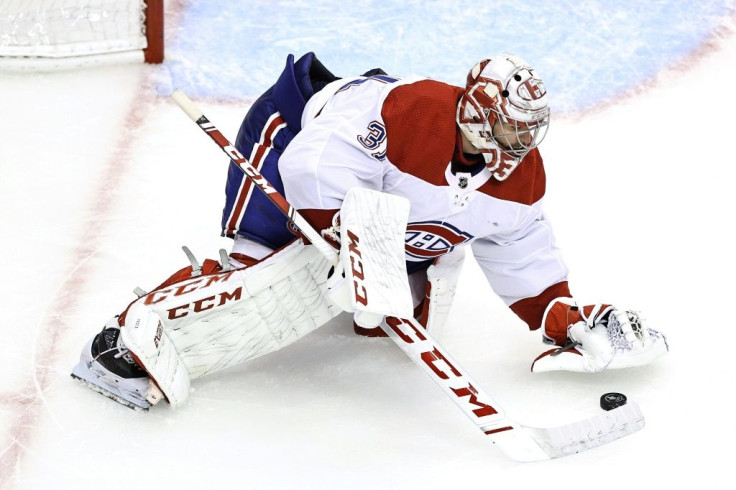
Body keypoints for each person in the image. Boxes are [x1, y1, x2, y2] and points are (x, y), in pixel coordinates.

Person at [71, 52, 668, 411]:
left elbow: (521, 249)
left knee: (387, 319)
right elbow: (312, 164)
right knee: (258, 272)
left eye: (529, 134)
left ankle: (375, 265)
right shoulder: (406, 115)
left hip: (382, 195)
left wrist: (561, 315)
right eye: (511, 133)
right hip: (292, 131)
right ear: (476, 120)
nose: (521, 148)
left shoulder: (520, 177)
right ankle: (129, 336)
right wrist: (344, 248)